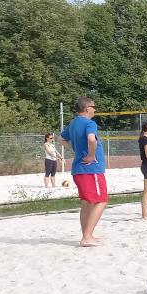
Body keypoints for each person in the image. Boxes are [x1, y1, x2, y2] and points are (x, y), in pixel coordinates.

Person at [59, 97, 107, 247]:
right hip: (90, 169)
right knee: (101, 200)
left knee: (87, 203)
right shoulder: (89, 123)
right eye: (94, 107)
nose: (95, 109)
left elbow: (60, 138)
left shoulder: (73, 124)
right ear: (87, 108)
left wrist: (75, 149)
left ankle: (87, 235)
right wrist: (91, 155)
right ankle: (86, 237)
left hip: (79, 169)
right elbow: (91, 139)